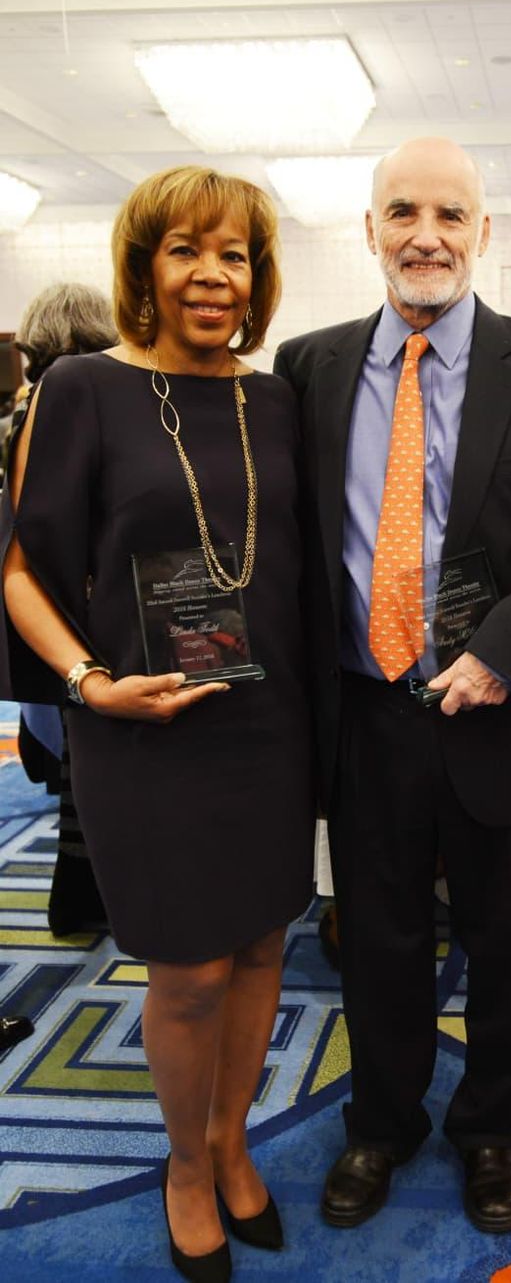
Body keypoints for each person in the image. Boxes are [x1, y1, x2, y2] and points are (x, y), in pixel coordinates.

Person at [274, 136, 511, 1235]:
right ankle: (381, 1122)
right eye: (401, 212)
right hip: (367, 709)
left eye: (449, 214)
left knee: (510, 938)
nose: (425, 234)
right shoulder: (308, 364)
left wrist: (506, 650)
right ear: (369, 230)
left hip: (506, 708)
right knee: (372, 935)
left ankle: (489, 1131)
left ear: (485, 232)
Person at [0, 166, 315, 1283]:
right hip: (141, 728)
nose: (211, 275)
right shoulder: (81, 387)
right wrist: (85, 679)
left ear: (256, 273)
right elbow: (23, 568)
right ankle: (188, 1161)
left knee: (266, 938)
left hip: (270, 722)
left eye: (232, 254)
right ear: (144, 266)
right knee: (185, 970)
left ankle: (234, 1136)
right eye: (186, 250)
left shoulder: (275, 398)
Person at [12, 282, 118, 937]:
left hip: (40, 613)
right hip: (81, 605)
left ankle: (78, 899)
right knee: (90, 766)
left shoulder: (27, 405)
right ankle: (85, 899)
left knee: (77, 769)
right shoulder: (78, 404)